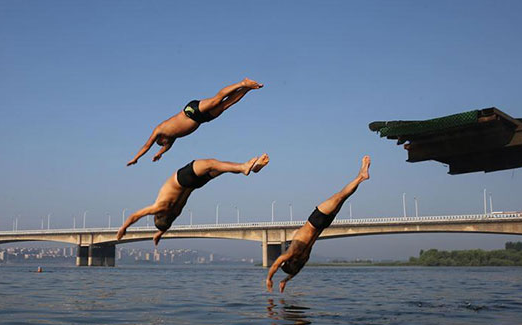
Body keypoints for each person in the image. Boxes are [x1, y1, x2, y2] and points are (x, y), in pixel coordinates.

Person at [266, 156, 370, 293]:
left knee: (344, 197)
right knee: (340, 195)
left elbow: (296, 271)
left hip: (323, 225)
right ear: (288, 262)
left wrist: (285, 280)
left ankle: (360, 177)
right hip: (315, 220)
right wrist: (269, 278)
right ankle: (361, 176)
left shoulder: (303, 257)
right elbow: (276, 264)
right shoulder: (290, 253)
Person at [117, 154, 270, 245]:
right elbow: (135, 216)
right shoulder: (159, 208)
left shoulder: (175, 212)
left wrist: (160, 233)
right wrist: (123, 228)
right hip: (183, 179)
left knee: (221, 169)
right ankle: (244, 167)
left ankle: (248, 168)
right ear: (157, 216)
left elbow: (167, 223)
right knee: (212, 163)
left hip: (196, 184)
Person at [126, 78, 264, 166]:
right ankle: (247, 88)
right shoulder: (173, 138)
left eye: (163, 143)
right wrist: (160, 154)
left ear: (161, 139)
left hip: (190, 111)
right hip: (202, 120)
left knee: (217, 100)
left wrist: (136, 158)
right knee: (226, 104)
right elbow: (167, 147)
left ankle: (242, 83)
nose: (166, 144)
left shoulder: (160, 130)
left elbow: (146, 145)